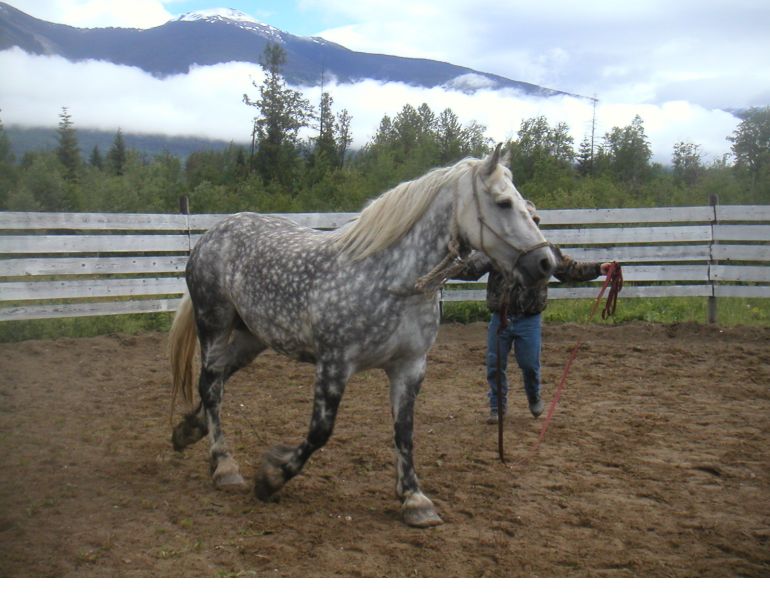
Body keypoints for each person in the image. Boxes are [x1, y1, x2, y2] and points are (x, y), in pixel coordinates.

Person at [455, 201, 613, 423]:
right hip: (500, 318)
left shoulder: (546, 250)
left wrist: (598, 268)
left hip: (528, 319)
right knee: (495, 365)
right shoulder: (495, 249)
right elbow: (470, 270)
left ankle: (533, 396)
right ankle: (496, 407)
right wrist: (442, 269)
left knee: (529, 364)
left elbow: (569, 270)